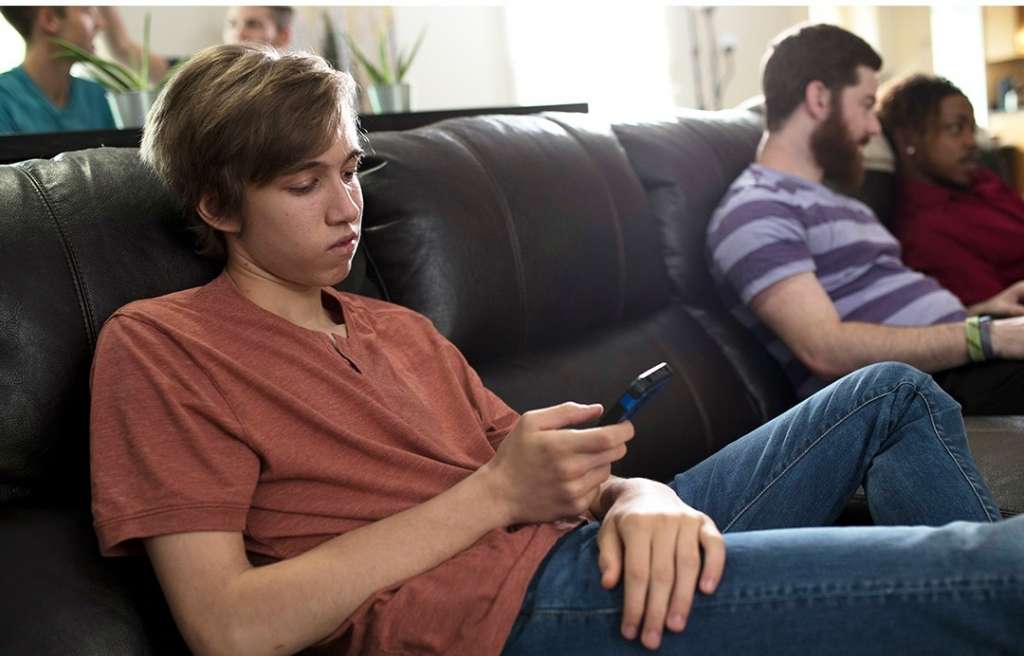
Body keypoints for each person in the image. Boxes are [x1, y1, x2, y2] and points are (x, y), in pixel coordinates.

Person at [89, 43, 1024, 656]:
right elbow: (228, 627)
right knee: (992, 572)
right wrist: (496, 493)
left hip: (584, 548)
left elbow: (552, 480)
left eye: (348, 172)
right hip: (496, 617)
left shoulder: (396, 329)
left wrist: (643, 492)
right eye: (305, 184)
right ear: (217, 206)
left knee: (888, 393)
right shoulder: (164, 347)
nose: (347, 209)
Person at [706, 23, 1024, 414]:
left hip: (956, 359)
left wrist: (983, 311)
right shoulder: (754, 210)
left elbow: (895, 317)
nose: (875, 127)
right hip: (909, 393)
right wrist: (986, 336)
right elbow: (825, 350)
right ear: (819, 98)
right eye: (867, 104)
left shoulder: (846, 205)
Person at [879, 74, 1024, 309]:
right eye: (956, 129)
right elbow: (1003, 314)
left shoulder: (979, 180)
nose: (972, 142)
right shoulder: (926, 232)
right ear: (908, 139)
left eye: (972, 128)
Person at [0, 6, 116, 134]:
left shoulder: (98, 97)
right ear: (49, 19)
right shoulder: (4, 99)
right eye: (86, 10)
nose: (101, 24)